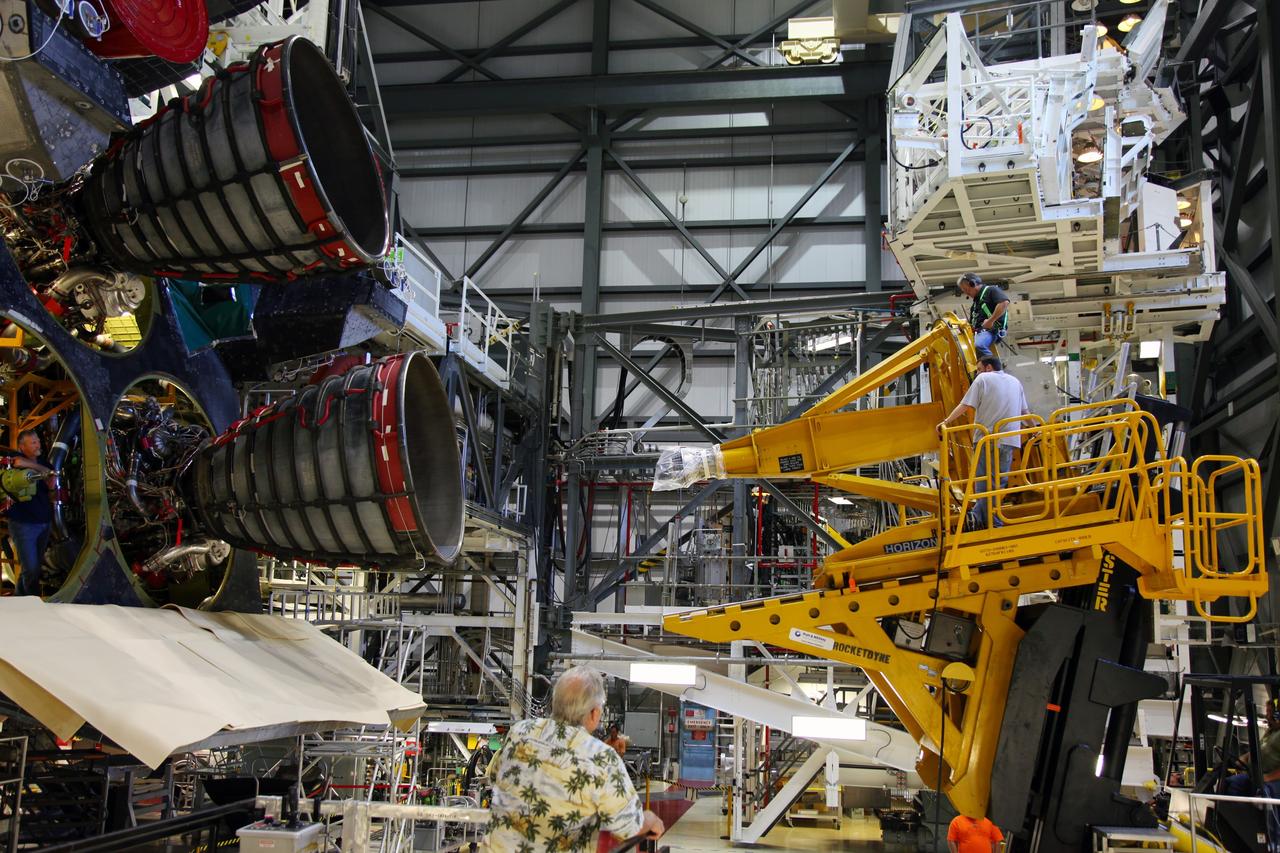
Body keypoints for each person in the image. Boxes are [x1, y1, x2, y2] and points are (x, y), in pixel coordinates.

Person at [481, 666, 663, 852]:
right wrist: (651, 820)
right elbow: (630, 827)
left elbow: (494, 777)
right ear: (594, 713)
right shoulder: (601, 759)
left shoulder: (520, 732)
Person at [937, 356, 1031, 528]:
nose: (977, 373)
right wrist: (1035, 430)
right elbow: (1025, 412)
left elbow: (965, 405)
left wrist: (946, 422)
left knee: (984, 484)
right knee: (997, 484)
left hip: (986, 441)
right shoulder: (1015, 381)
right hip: (1009, 441)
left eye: (979, 369)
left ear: (988, 368)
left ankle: (987, 522)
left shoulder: (983, 378)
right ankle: (981, 517)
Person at [4, 430, 53, 596]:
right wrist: (37, 468)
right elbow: (16, 463)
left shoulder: (45, 463)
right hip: (23, 524)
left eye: (38, 441)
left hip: (44, 522)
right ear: (21, 446)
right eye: (33, 442)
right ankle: (33, 602)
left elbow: (52, 481)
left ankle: (20, 602)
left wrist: (34, 466)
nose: (38, 444)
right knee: (31, 569)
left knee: (32, 568)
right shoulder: (13, 459)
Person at [958, 273, 1010, 358]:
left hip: (992, 331)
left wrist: (991, 321)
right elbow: (972, 325)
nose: (966, 293)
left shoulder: (991, 290)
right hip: (979, 333)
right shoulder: (975, 305)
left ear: (972, 283)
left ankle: (992, 367)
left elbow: (1004, 303)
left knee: (979, 345)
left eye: (966, 290)